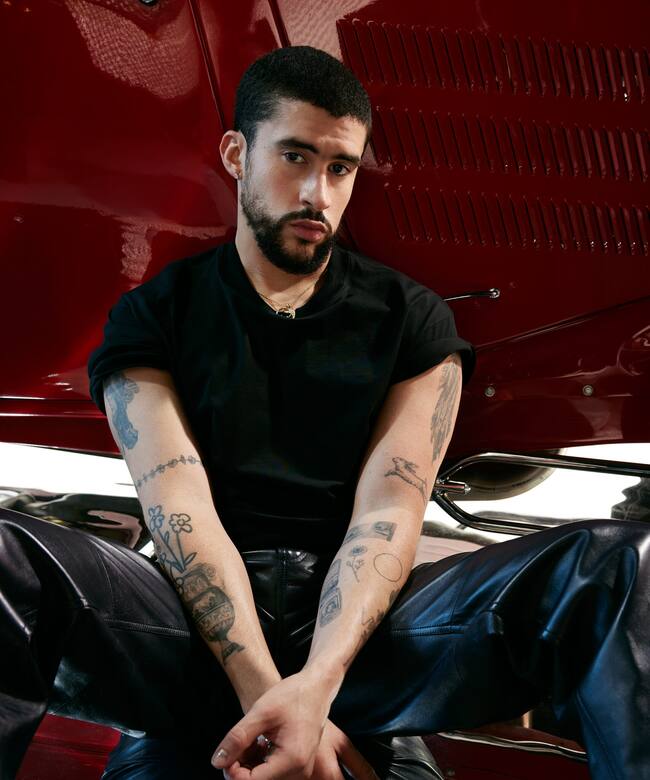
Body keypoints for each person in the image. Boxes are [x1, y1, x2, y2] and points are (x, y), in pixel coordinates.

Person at [0, 46, 648, 780]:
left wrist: (316, 690)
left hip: (366, 637)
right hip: (189, 633)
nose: (319, 193)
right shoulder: (154, 316)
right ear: (236, 155)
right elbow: (180, 512)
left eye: (341, 168)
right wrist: (275, 705)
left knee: (622, 563)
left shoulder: (412, 319)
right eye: (296, 157)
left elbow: (388, 514)